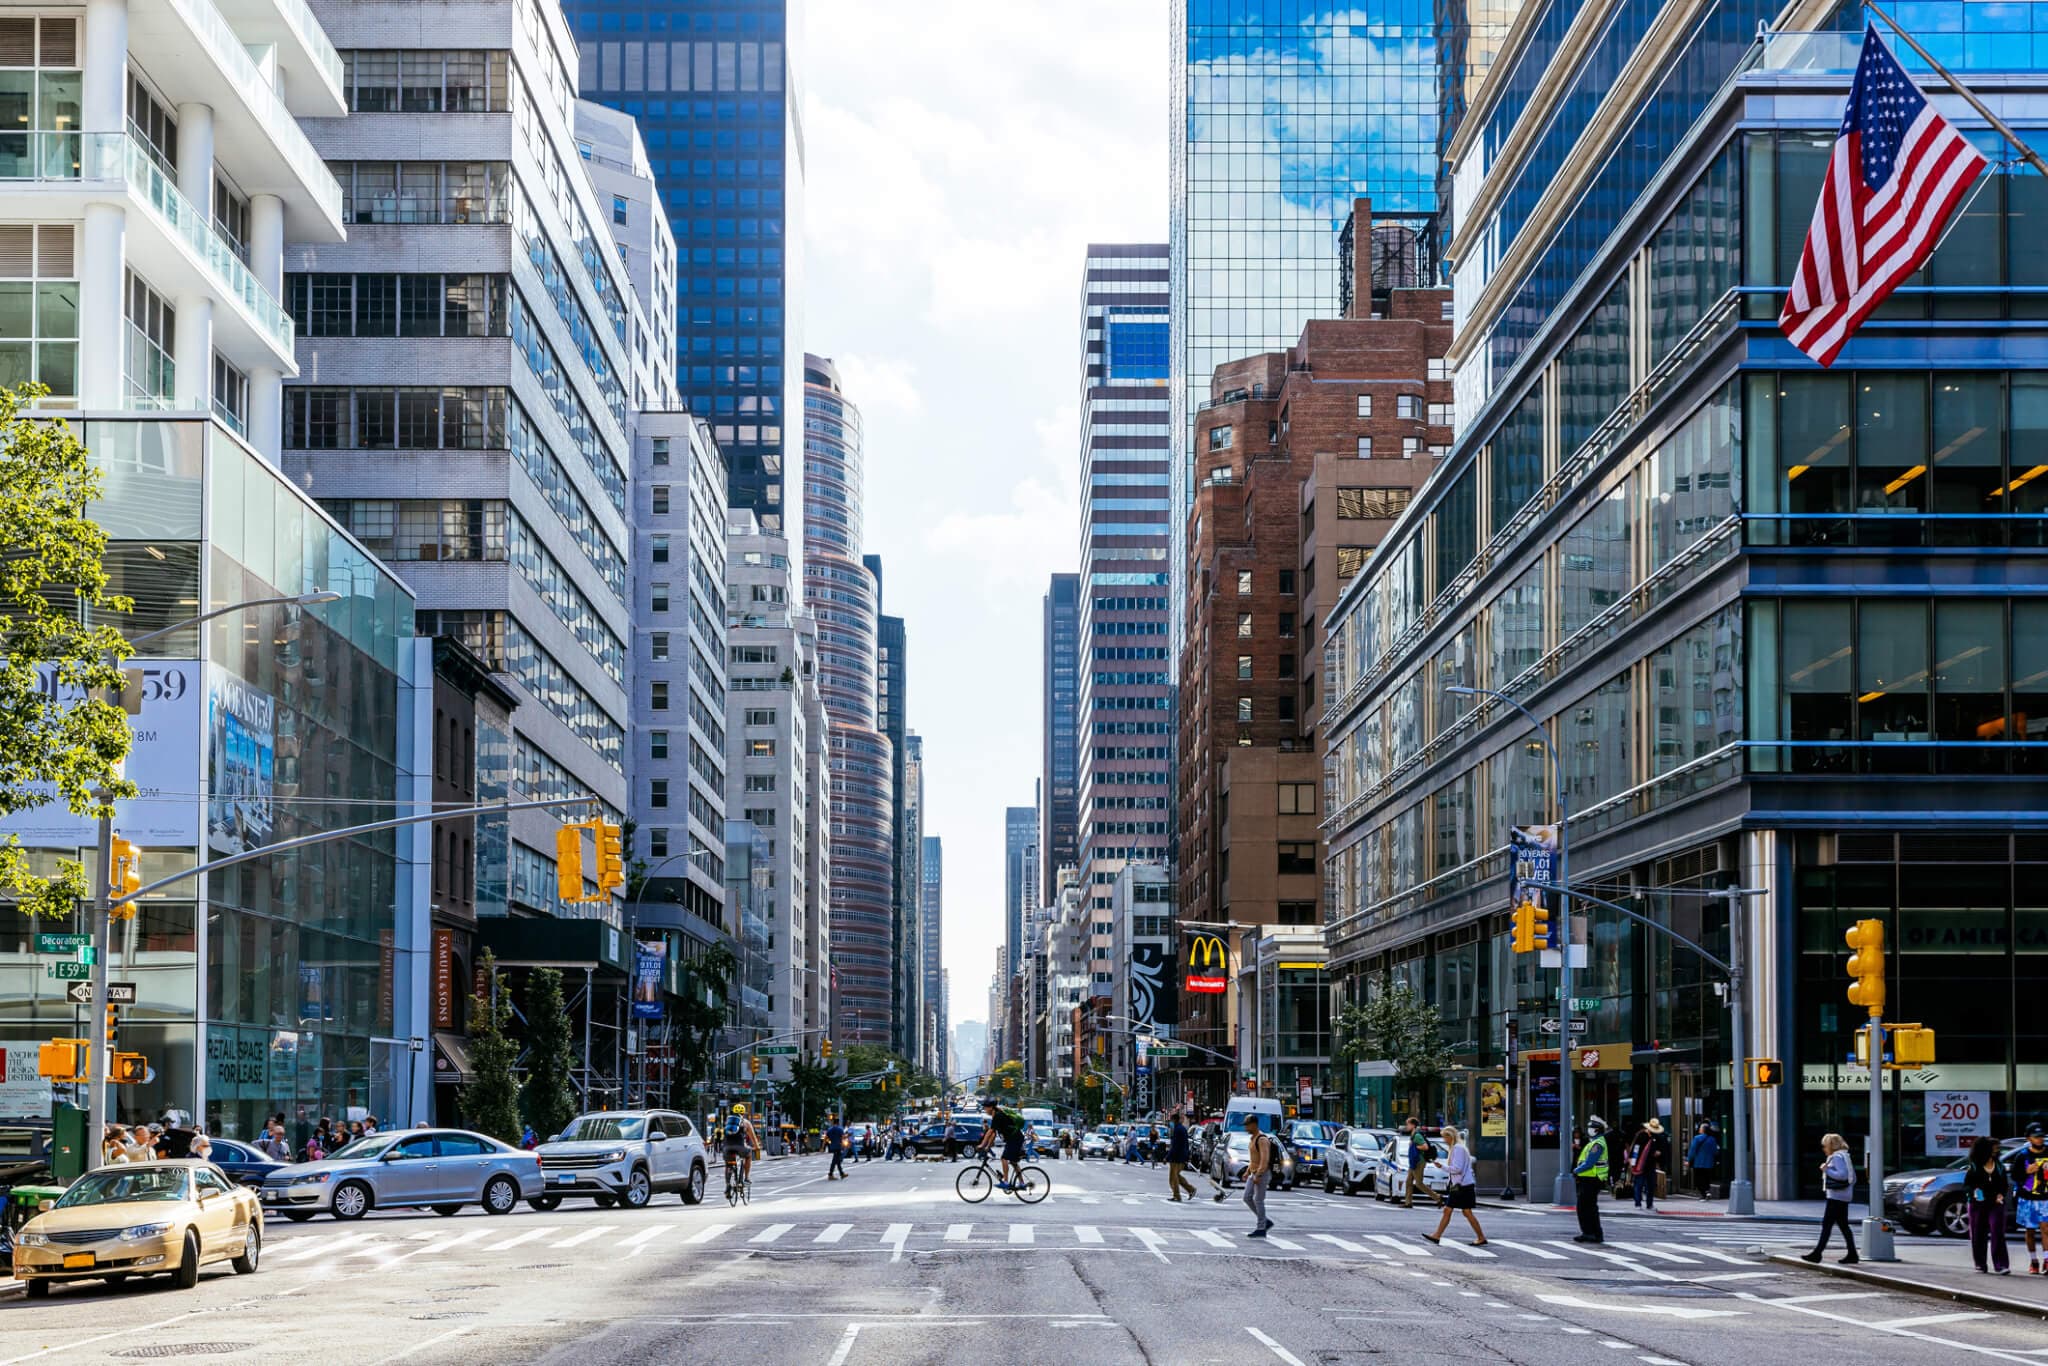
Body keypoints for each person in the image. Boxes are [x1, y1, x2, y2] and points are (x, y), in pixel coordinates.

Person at [1801, 1132, 1860, 1265]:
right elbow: (1853, 1178)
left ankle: (1817, 1254)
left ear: (1831, 1145)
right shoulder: (1845, 1156)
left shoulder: (1837, 1157)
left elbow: (1843, 1175)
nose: (1823, 1148)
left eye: (1825, 1145)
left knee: (1827, 1224)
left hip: (1836, 1196)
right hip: (1843, 1196)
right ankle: (1852, 1254)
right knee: (1843, 1226)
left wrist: (1826, 1170)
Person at [1424, 1125, 1487, 1247]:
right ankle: (1437, 1235)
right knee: (1459, 1211)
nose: (1443, 1140)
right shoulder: (1457, 1148)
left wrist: (1441, 1166)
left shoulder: (1457, 1149)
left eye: (1444, 1137)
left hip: (1462, 1186)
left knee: (1458, 1211)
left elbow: (1457, 1169)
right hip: (1462, 1185)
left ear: (1450, 1136)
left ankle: (1437, 1235)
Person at [1963, 1134, 2012, 1275]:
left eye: (1997, 1148)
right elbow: (1966, 1186)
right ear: (1984, 1150)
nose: (1997, 1151)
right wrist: (1973, 1192)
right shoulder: (1974, 1167)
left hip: (1996, 1203)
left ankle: (2001, 1265)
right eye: (1994, 1148)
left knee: (1998, 1232)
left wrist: (2001, 1194)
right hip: (1978, 1204)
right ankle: (1980, 1264)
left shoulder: (1999, 1166)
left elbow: (2004, 1184)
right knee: (1978, 1233)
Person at [2011, 1123, 2048, 1275]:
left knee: (2046, 1228)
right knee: (2030, 1230)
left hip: (2045, 1197)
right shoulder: (2022, 1156)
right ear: (2029, 1138)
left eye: (2041, 1136)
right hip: (2027, 1198)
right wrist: (2027, 1171)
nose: (2040, 1139)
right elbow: (2015, 1176)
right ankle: (2033, 1261)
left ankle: (2047, 1260)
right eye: (2036, 1137)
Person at [1572, 1116, 1611, 1244]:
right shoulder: (1594, 1142)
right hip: (1590, 1178)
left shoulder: (1597, 1144)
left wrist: (1576, 1170)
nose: (1589, 1129)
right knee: (1590, 1207)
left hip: (1591, 1178)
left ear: (1597, 1130)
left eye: (1592, 1128)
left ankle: (1589, 1233)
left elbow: (1590, 1163)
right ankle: (1594, 1234)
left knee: (1584, 1207)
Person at [977, 1098, 1027, 1190]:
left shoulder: (998, 1116)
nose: (984, 1109)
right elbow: (994, 1133)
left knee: (1004, 1158)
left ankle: (1006, 1182)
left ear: (991, 1107)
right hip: (1014, 1139)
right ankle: (1022, 1183)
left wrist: (982, 1144)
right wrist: (988, 1146)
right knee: (1013, 1162)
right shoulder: (997, 1115)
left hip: (1015, 1139)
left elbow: (990, 1131)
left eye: (985, 1107)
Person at [1242, 1113, 1274, 1238]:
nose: (1245, 1128)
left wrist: (1259, 1174)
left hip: (1262, 1173)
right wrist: (1248, 1171)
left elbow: (1264, 1159)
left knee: (1258, 1200)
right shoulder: (1253, 1139)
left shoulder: (1262, 1139)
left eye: (1247, 1125)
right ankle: (1265, 1221)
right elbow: (1254, 1159)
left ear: (1254, 1125)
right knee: (1247, 1197)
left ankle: (1261, 1228)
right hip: (1254, 1172)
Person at [722, 1103, 761, 1186]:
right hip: (740, 1147)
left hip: (726, 1147)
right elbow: (753, 1137)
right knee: (748, 1154)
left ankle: (728, 1185)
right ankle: (746, 1178)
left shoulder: (727, 1121)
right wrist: (757, 1147)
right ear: (743, 1113)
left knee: (728, 1164)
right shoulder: (746, 1122)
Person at [1167, 1107, 1197, 1202]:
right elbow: (1186, 1144)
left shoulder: (1178, 1130)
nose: (1170, 1123)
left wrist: (1167, 1157)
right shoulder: (1182, 1129)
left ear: (1174, 1120)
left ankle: (1177, 1196)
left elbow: (1175, 1146)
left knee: (1173, 1178)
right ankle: (1190, 1189)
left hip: (1176, 1157)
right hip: (1181, 1156)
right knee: (1177, 1177)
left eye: (1171, 1120)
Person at [1628, 1125, 1659, 1212]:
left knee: (1651, 1185)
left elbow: (1660, 1149)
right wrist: (1632, 1162)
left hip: (1650, 1165)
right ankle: (1638, 1203)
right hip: (1640, 1165)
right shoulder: (1641, 1135)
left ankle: (1649, 1204)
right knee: (1639, 1184)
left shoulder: (1655, 1137)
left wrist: (1658, 1154)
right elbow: (1635, 1148)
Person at [1686, 1122, 1719, 1200]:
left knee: (1698, 1179)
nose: (1699, 1129)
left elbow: (1692, 1151)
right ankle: (1707, 1191)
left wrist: (1689, 1160)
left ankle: (1703, 1194)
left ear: (1703, 1130)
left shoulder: (1697, 1138)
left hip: (1698, 1163)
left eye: (1700, 1128)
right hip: (1709, 1163)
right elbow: (1715, 1151)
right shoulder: (1712, 1139)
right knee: (1706, 1178)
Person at [1406, 1121, 1435, 1209]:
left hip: (1419, 1161)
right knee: (1408, 1182)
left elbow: (1425, 1147)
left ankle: (1437, 1197)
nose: (1407, 1126)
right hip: (1413, 1162)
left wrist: (1415, 1147)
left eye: (1408, 1124)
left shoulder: (1417, 1135)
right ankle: (1408, 1202)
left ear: (1413, 1125)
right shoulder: (1413, 1135)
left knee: (1419, 1183)